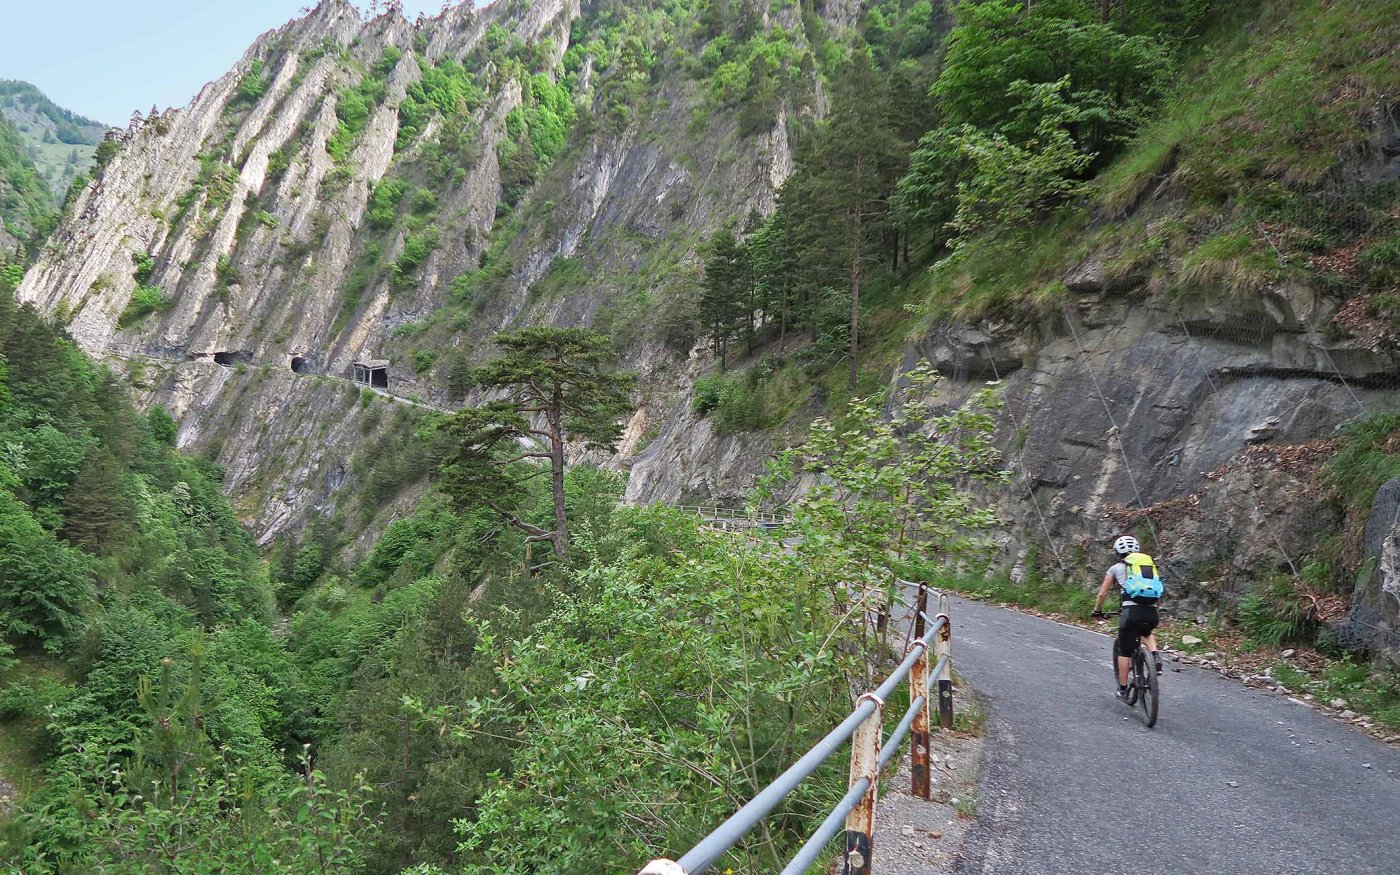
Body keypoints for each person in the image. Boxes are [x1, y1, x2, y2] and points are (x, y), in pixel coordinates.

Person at [1091, 535, 1161, 701]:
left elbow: (1103, 593)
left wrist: (1097, 610)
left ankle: (1122, 689)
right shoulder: (1147, 565)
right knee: (1147, 631)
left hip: (1130, 612)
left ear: (1117, 552)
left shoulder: (1115, 568)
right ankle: (1155, 655)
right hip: (1151, 612)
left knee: (1125, 650)